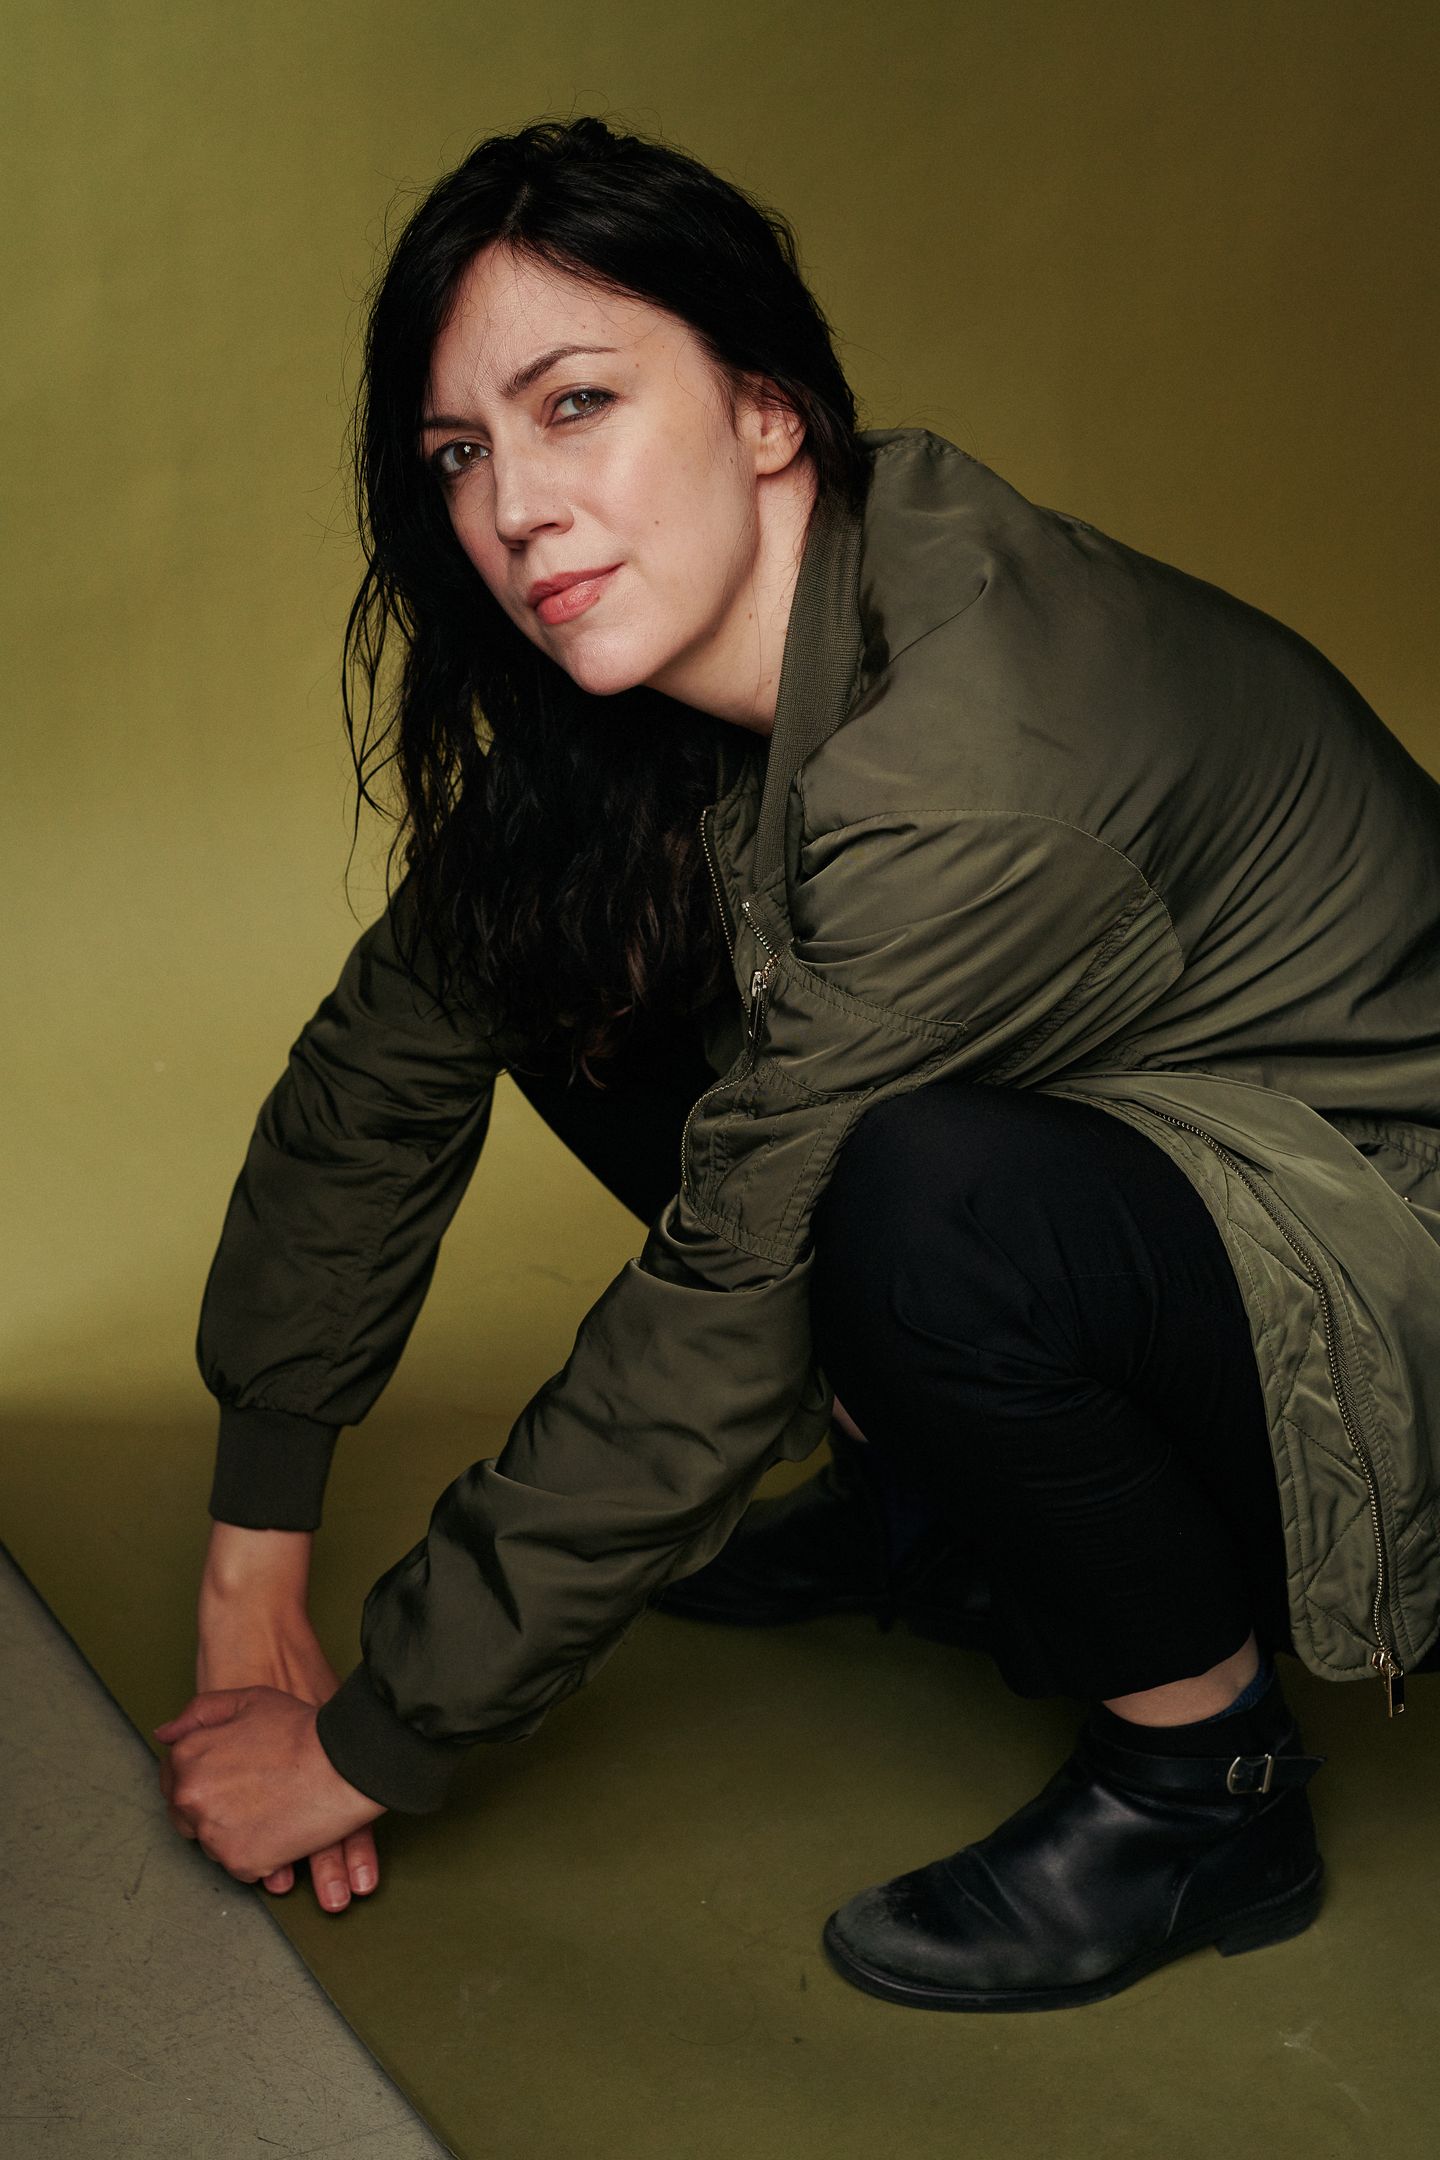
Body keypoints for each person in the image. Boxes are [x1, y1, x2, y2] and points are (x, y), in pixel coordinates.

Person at [155, 115, 1440, 2014]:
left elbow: (731, 1283)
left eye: (575, 404)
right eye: (461, 453)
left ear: (768, 412)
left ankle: (1204, 1778)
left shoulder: (974, 758)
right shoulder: (704, 643)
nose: (516, 508)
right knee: (562, 938)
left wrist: (364, 1744)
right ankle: (932, 1501)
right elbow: (385, 1051)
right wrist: (249, 1567)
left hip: (1386, 1270)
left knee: (917, 1195)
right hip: (1167, 1178)